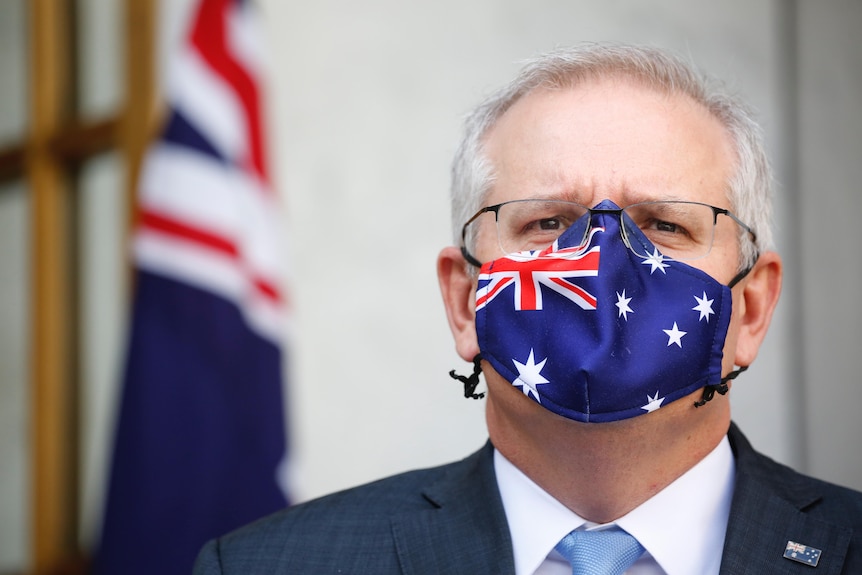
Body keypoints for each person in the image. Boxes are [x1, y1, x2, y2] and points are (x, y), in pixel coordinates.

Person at [194, 43, 862, 574]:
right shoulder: (268, 566)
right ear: (464, 300)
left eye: (662, 224)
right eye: (548, 222)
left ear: (748, 309)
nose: (604, 262)